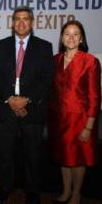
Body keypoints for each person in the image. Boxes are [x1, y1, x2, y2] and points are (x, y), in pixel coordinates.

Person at [0, 6, 54, 204]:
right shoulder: (0, 45)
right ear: (12, 23)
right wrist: (10, 99)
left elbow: (46, 80)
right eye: (17, 19)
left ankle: (33, 190)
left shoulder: (44, 47)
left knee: (33, 155)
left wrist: (26, 99)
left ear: (32, 22)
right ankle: (5, 187)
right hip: (6, 108)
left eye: (25, 19)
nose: (21, 22)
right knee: (5, 154)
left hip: (32, 109)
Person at [48, 20, 101, 204]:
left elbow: (95, 97)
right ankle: (66, 190)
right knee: (64, 157)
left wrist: (89, 126)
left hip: (81, 120)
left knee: (78, 159)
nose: (71, 37)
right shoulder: (55, 60)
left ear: (81, 38)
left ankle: (77, 193)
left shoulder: (90, 61)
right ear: (62, 38)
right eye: (67, 34)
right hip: (58, 119)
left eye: (75, 34)